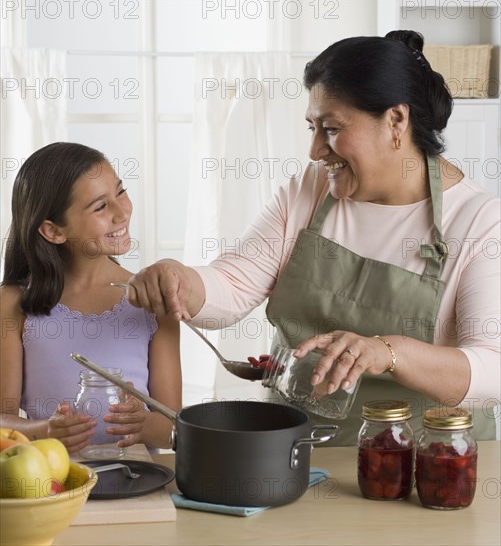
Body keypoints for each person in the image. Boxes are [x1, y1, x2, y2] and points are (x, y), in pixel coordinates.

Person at [126, 31, 500, 444]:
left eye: (332, 128)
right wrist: (180, 280)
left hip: (422, 465)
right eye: (312, 128)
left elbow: (493, 369)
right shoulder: (312, 188)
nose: (316, 149)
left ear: (396, 120)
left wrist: (387, 351)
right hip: (293, 454)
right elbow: (232, 284)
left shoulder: (481, 221)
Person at [0, 142, 182, 453]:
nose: (122, 212)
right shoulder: (14, 304)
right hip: (52, 485)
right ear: (53, 231)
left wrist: (144, 423)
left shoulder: (153, 302)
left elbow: (175, 429)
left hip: (136, 485)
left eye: (120, 192)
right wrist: (43, 431)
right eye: (100, 206)